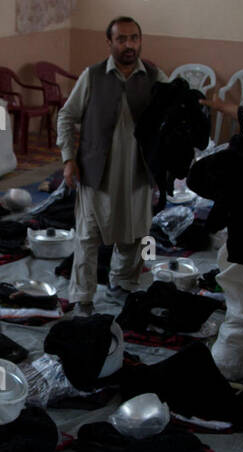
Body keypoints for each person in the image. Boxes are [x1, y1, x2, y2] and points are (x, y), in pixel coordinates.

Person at [56, 16, 167, 314]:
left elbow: (174, 114)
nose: (129, 45)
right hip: (96, 170)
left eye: (134, 38)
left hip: (138, 171)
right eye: (122, 39)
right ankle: (82, 297)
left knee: (136, 231)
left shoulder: (155, 77)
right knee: (88, 236)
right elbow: (66, 116)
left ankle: (123, 283)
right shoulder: (92, 76)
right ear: (110, 43)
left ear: (140, 41)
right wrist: (68, 160)